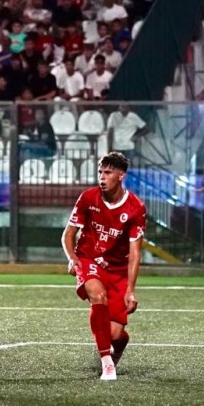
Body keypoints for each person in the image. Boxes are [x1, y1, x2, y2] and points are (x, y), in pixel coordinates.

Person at [61, 152, 146, 381]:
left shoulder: (136, 208)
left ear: (121, 175)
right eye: (100, 172)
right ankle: (107, 363)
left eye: (107, 173)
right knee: (97, 295)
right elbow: (68, 234)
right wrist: (73, 258)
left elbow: (135, 253)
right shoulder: (88, 198)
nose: (102, 177)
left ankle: (118, 346)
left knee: (115, 334)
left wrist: (130, 290)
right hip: (88, 258)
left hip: (117, 270)